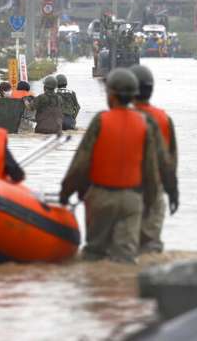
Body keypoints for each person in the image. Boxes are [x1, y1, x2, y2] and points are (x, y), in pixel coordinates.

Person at [58, 68, 163, 263]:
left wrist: (66, 192)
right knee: (125, 258)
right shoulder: (144, 123)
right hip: (132, 200)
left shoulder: (101, 120)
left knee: (95, 254)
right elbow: (151, 169)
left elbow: (81, 162)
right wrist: (149, 202)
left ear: (112, 94)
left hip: (101, 198)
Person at [130, 64, 179, 253]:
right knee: (150, 246)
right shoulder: (164, 118)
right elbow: (170, 160)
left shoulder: (120, 117)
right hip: (154, 187)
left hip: (125, 187)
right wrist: (173, 191)